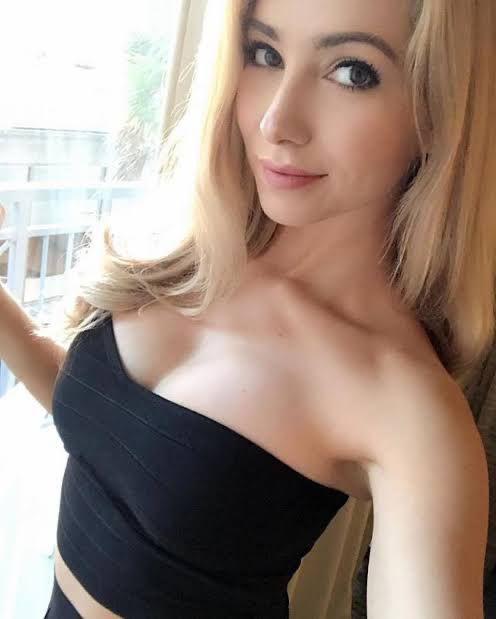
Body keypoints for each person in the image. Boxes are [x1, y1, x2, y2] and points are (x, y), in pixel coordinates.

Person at [0, 0, 493, 616]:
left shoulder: (406, 408)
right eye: (265, 53)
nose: (276, 121)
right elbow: (117, 436)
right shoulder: (194, 257)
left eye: (352, 72)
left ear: (438, 109)